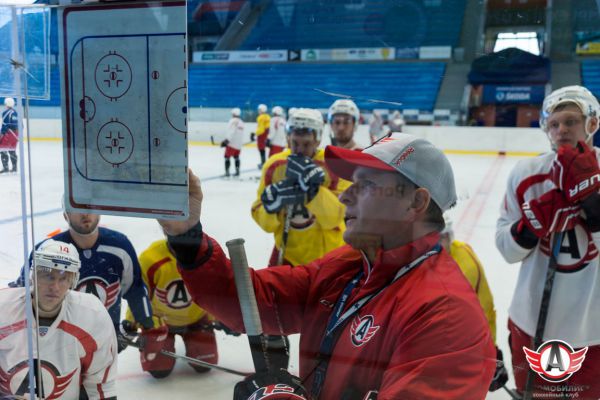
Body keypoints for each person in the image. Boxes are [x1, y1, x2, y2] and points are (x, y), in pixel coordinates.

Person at [159, 133, 496, 399]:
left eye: (365, 185)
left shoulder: (447, 315)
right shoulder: (353, 265)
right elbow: (255, 301)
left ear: (416, 203)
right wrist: (187, 236)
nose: (345, 197)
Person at [496, 85, 600, 398]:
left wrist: (592, 203)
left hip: (593, 330)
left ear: (592, 124)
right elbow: (504, 246)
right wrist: (529, 229)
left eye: (570, 121)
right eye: (554, 124)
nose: (561, 130)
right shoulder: (527, 172)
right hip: (530, 323)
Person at [250, 108, 346, 370]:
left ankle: (320, 375)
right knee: (272, 319)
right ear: (288, 136)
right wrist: (271, 204)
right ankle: (276, 371)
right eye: (295, 142)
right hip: (287, 256)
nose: (300, 148)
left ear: (318, 139)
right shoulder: (275, 165)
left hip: (326, 263)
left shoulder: (335, 164)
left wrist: (314, 192)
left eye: (307, 143)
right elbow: (263, 218)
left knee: (323, 325)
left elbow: (338, 217)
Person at [11, 208, 161, 354]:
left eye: (91, 207)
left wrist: (147, 323)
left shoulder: (119, 246)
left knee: (157, 369)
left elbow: (135, 288)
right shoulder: (48, 250)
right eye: (77, 208)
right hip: (59, 339)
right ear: (66, 215)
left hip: (105, 336)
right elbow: (21, 291)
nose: (85, 214)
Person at [0, 239, 117, 399]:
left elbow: (101, 385)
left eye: (63, 278)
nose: (55, 287)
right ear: (33, 275)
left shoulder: (92, 314)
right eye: (47, 276)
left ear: (73, 281)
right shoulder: (3, 308)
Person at [124, 237, 230, 379]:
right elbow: (138, 295)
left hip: (196, 319)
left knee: (204, 364)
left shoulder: (208, 253)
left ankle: (196, 336)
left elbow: (217, 290)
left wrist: (226, 317)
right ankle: (162, 341)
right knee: (159, 370)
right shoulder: (151, 258)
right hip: (160, 323)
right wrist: (132, 324)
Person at [440, 214, 509, 393]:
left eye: (444, 237)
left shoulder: (466, 261)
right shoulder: (409, 261)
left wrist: (492, 351)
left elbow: (485, 309)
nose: (441, 243)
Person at [221, 107, 244, 177]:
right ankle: (237, 171)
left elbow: (231, 131)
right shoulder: (241, 122)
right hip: (239, 144)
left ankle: (227, 172)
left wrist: (226, 140)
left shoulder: (233, 121)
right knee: (236, 157)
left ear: (233, 113)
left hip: (232, 143)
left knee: (227, 157)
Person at [0, 97, 18, 173]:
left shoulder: (5, 113)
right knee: (12, 150)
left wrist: (2, 133)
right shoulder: (15, 112)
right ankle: (14, 168)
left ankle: (6, 168)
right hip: (15, 134)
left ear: (6, 104)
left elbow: (5, 125)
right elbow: (18, 125)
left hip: (7, 133)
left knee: (3, 151)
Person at [256, 103, 271, 168]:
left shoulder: (261, 117)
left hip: (262, 135)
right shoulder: (268, 116)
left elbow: (261, 129)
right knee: (263, 149)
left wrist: (256, 134)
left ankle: (263, 163)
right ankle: (263, 162)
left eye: (259, 110)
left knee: (261, 149)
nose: (258, 111)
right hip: (266, 134)